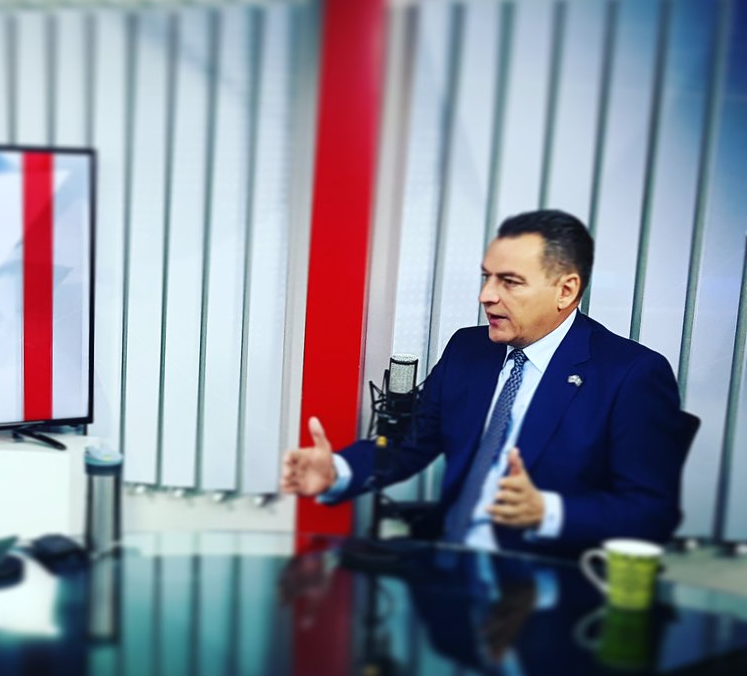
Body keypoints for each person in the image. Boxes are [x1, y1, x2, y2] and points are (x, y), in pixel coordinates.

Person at [281, 209, 687, 559]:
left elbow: (651, 513)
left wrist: (546, 512)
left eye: (509, 281)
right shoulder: (468, 350)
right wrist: (337, 470)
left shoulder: (631, 374)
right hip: (447, 576)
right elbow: (409, 444)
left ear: (565, 290)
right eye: (486, 278)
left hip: (544, 589)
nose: (486, 296)